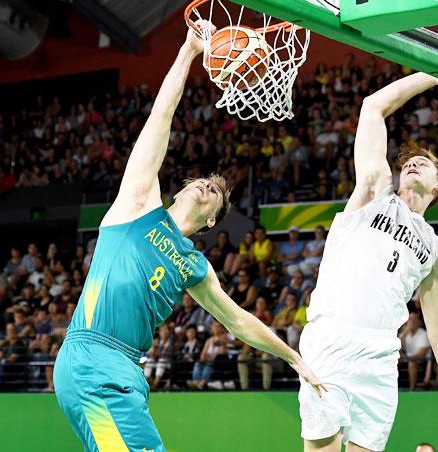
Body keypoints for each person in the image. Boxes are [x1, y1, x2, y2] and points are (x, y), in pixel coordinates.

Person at [53, 24, 324, 452]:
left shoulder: (195, 265)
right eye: (201, 181)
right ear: (178, 190)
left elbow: (238, 321)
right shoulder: (139, 204)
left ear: (213, 220)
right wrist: (188, 52)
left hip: (127, 370)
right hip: (91, 358)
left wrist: (294, 358)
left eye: (216, 191)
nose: (207, 186)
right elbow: (161, 118)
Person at [298, 73, 438, 452]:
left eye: (425, 163)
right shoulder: (374, 191)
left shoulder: (435, 250)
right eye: (411, 162)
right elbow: (373, 106)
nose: (414, 164)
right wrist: (431, 75)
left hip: (381, 357)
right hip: (332, 339)